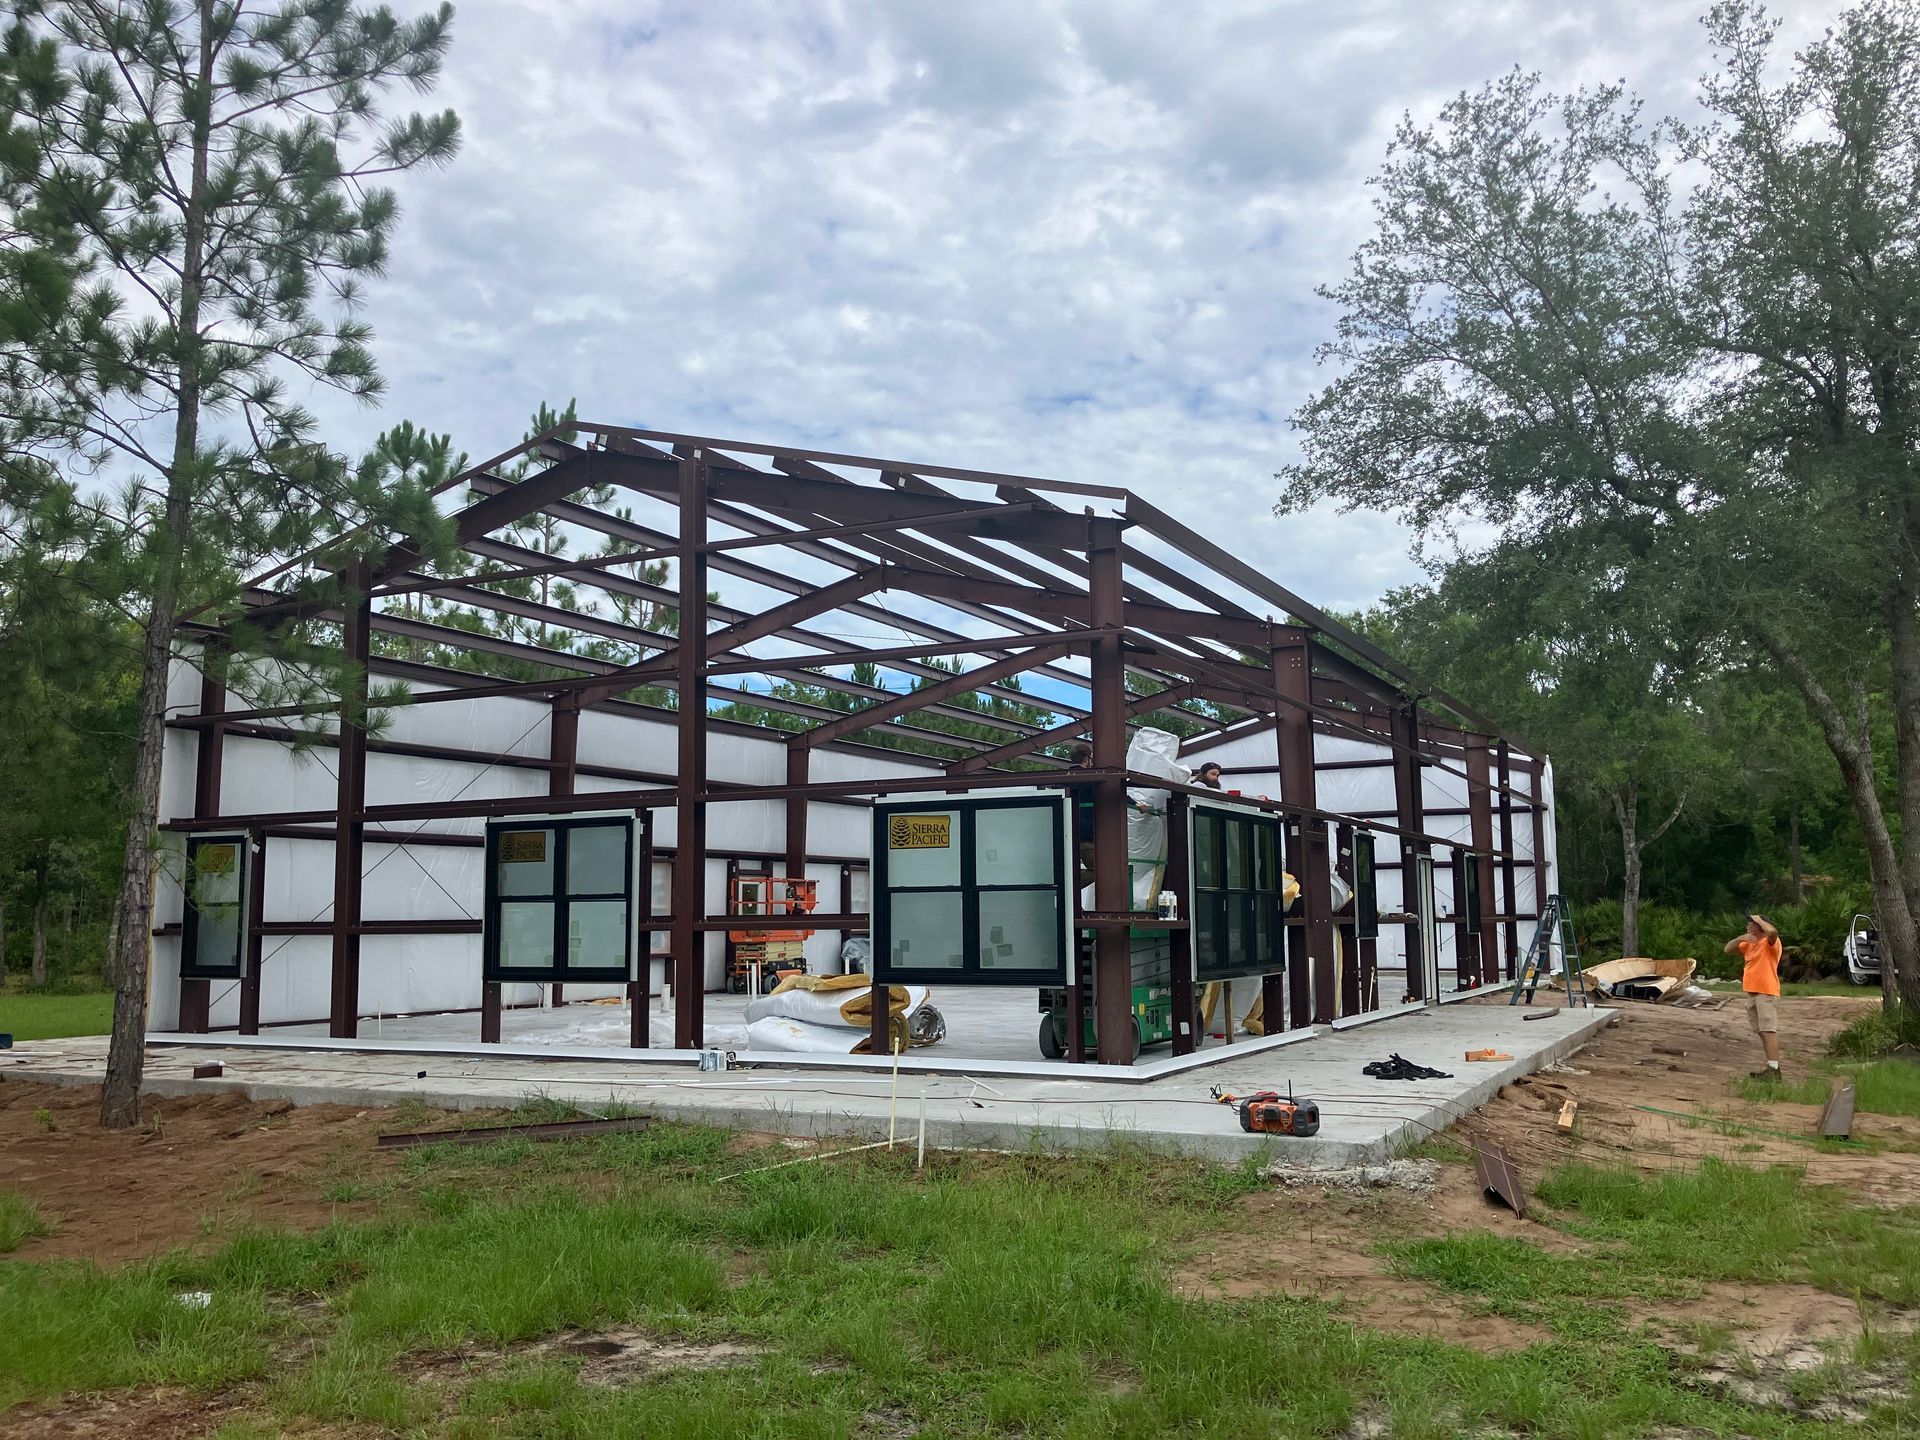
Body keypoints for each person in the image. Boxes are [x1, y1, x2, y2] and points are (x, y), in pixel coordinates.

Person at [1725, 914, 1783, 1080]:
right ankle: (1771, 1066)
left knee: (1768, 1030)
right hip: (1753, 993)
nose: (1747, 926)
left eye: (1750, 924)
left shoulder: (1770, 943)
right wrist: (1740, 938)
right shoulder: (1749, 944)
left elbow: (1772, 932)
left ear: (1758, 926)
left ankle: (1774, 1069)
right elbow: (1727, 950)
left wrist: (1759, 920)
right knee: (1762, 1031)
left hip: (1766, 993)